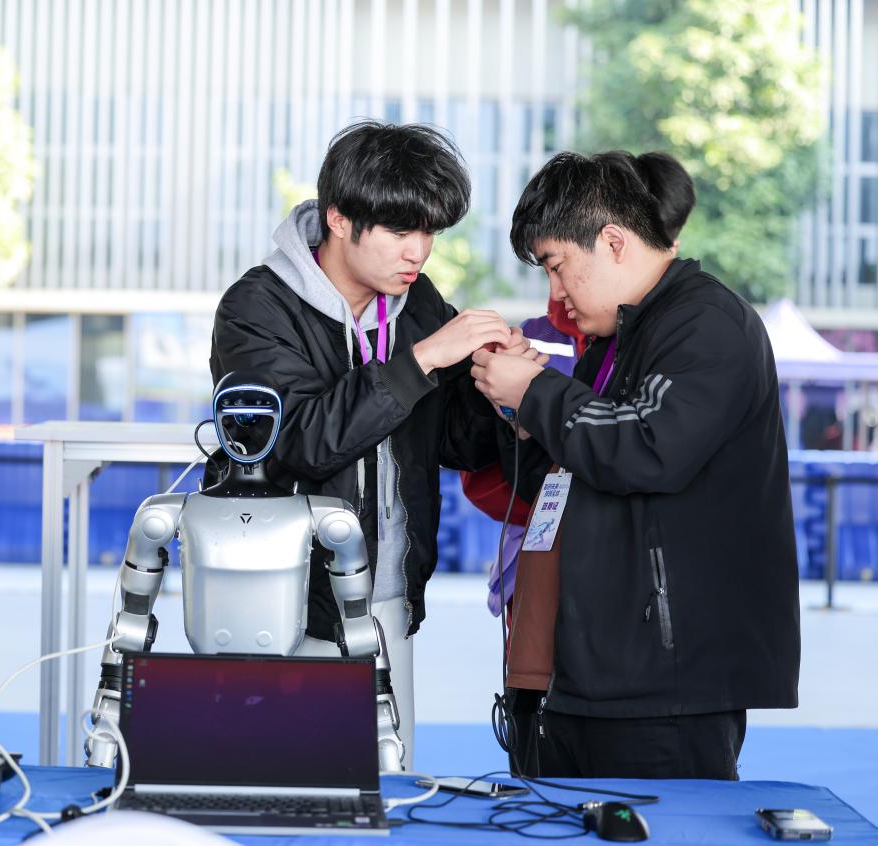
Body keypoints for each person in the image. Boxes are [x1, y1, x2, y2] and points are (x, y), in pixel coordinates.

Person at [210, 121, 534, 767]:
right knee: (274, 785)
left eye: (429, 233)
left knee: (387, 782)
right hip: (279, 598)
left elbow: (454, 442)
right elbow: (298, 442)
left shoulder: (416, 304)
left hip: (386, 596)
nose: (418, 252)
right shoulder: (257, 307)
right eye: (399, 231)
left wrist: (503, 393)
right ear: (338, 218)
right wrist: (423, 359)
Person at [471, 151, 800, 779]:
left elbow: (649, 449)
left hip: (663, 686)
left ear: (614, 242)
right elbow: (567, 473)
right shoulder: (618, 339)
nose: (556, 294)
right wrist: (522, 413)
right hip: (583, 671)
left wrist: (537, 392)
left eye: (557, 267)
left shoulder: (709, 324)